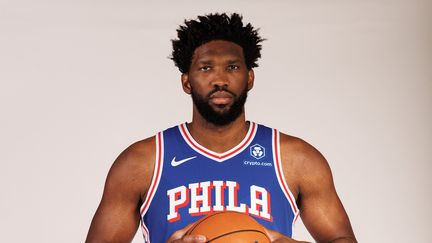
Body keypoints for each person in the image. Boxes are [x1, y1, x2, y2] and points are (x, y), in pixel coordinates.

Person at [86, 13, 357, 243]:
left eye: (232, 66)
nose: (220, 79)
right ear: (187, 82)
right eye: (205, 68)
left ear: (249, 78)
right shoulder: (142, 162)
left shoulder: (295, 159)